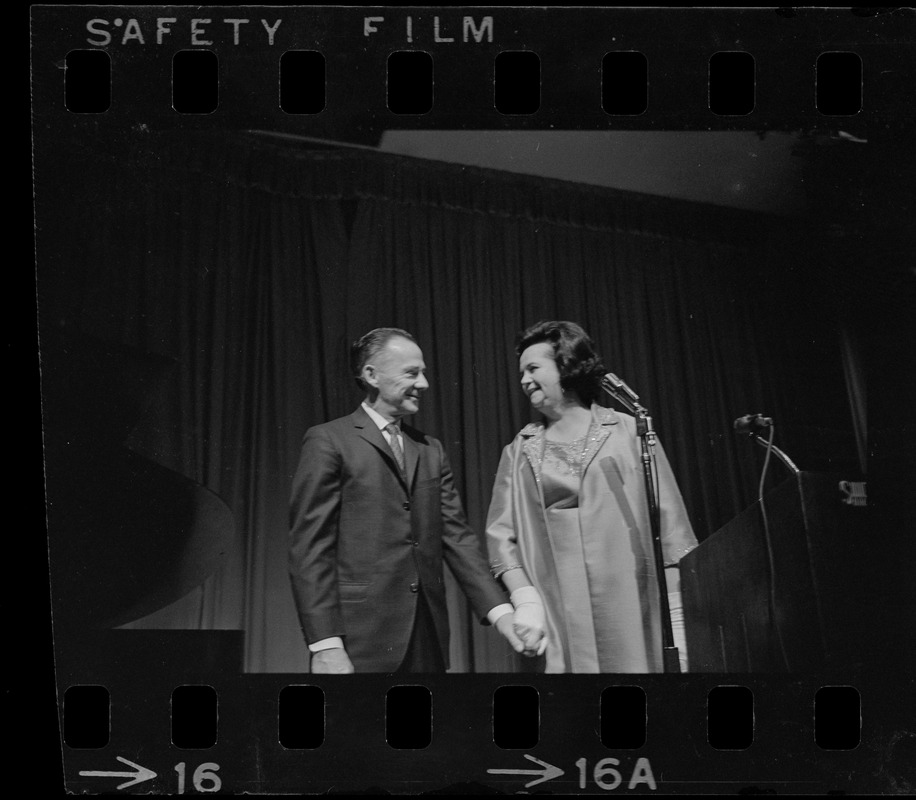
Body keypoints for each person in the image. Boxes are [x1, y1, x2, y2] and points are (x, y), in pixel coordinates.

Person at [289, 327, 524, 673]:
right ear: (371, 375)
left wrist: (501, 613)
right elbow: (310, 549)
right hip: (357, 642)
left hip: (426, 638)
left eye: (424, 372)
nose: (425, 383)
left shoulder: (430, 449)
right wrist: (325, 645)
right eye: (412, 372)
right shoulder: (328, 441)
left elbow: (457, 538)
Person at [486, 321, 698, 673]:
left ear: (566, 365)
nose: (524, 380)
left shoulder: (630, 432)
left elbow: (672, 529)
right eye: (521, 372)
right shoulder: (519, 451)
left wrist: (678, 617)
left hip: (632, 611)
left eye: (533, 368)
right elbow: (500, 540)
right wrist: (525, 601)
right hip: (556, 619)